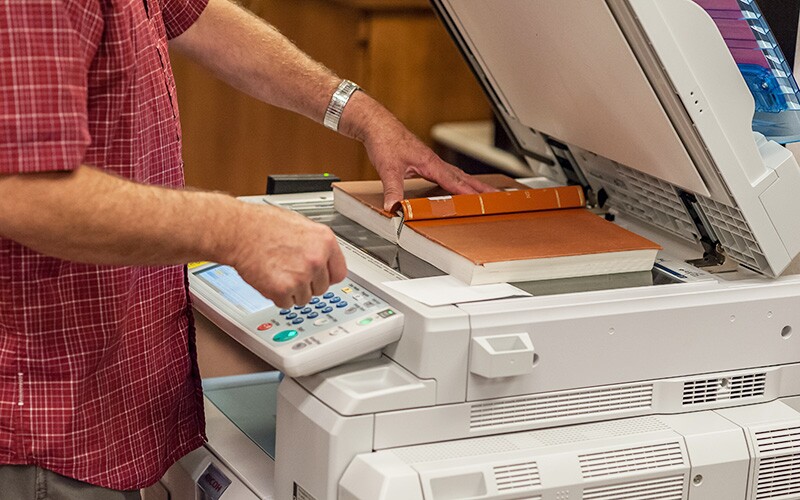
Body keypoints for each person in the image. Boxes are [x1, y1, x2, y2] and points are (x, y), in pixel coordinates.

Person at [0, 0, 493, 497]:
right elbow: (20, 191)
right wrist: (236, 229)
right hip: (43, 422)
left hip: (110, 394)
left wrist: (360, 112)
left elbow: (192, 13)